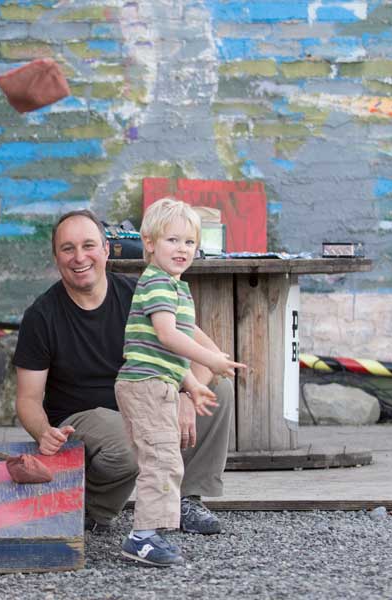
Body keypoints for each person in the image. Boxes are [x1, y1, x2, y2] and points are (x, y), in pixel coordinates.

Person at [13, 208, 238, 540]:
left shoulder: (139, 293)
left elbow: (208, 356)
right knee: (126, 437)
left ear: (106, 249)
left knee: (218, 390)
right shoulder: (41, 316)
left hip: (142, 399)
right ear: (56, 257)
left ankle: (186, 499)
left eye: (88, 245)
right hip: (85, 418)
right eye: (68, 248)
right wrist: (43, 431)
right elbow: (28, 400)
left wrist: (187, 395)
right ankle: (94, 509)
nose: (79, 257)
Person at [115, 198, 245, 566]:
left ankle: (152, 531)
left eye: (189, 242)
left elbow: (165, 352)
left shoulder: (175, 287)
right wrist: (211, 359)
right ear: (150, 243)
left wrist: (190, 382)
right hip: (146, 385)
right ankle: (142, 538)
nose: (182, 249)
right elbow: (168, 336)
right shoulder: (157, 283)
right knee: (162, 459)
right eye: (173, 240)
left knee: (166, 458)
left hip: (159, 380)